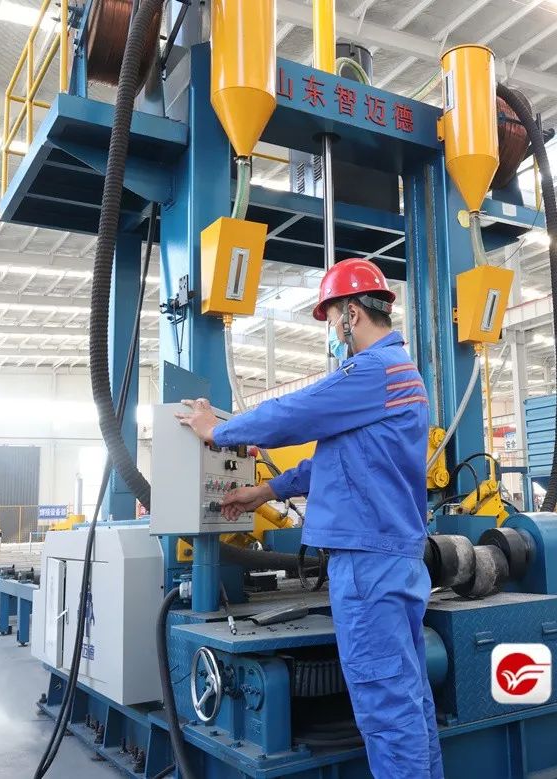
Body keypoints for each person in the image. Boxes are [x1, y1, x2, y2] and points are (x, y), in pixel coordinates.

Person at [176, 258, 444, 779]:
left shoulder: (372, 371)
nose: (333, 331)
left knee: (386, 709)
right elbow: (334, 462)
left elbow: (295, 412)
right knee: (407, 699)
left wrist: (217, 431)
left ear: (351, 314)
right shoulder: (397, 375)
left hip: (367, 563)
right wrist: (263, 492)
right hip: (392, 560)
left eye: (331, 318)